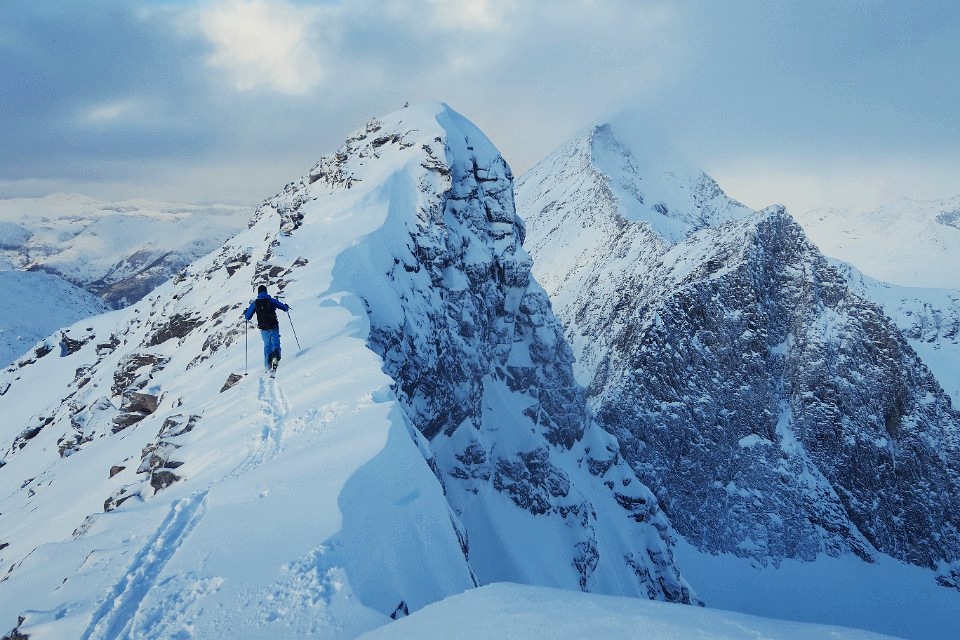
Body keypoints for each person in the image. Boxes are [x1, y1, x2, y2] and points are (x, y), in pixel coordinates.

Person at [243, 285, 291, 372]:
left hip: (263, 328)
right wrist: (286, 307)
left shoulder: (255, 303)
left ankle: (267, 365)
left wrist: (246, 312)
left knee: (267, 345)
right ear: (266, 291)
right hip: (274, 326)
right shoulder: (271, 300)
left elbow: (247, 317)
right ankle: (276, 356)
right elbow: (284, 308)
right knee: (275, 344)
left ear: (258, 293)